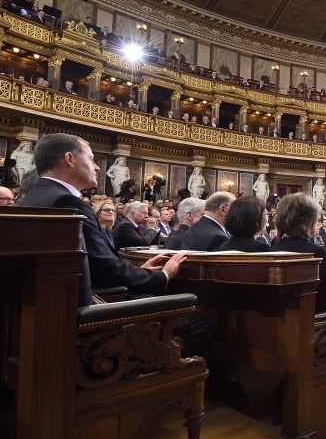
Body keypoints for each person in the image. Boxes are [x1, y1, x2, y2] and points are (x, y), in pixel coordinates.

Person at [20, 133, 212, 357]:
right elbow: (103, 266)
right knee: (202, 323)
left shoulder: (35, 197)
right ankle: (146, 377)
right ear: (69, 159)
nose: (97, 167)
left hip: (46, 308)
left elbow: (90, 263)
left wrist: (140, 271)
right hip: (86, 311)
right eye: (91, 159)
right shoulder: (67, 201)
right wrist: (161, 277)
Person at [270, 193, 326, 313]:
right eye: (317, 220)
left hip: (279, 321)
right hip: (312, 322)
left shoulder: (274, 249)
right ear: (309, 222)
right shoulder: (317, 252)